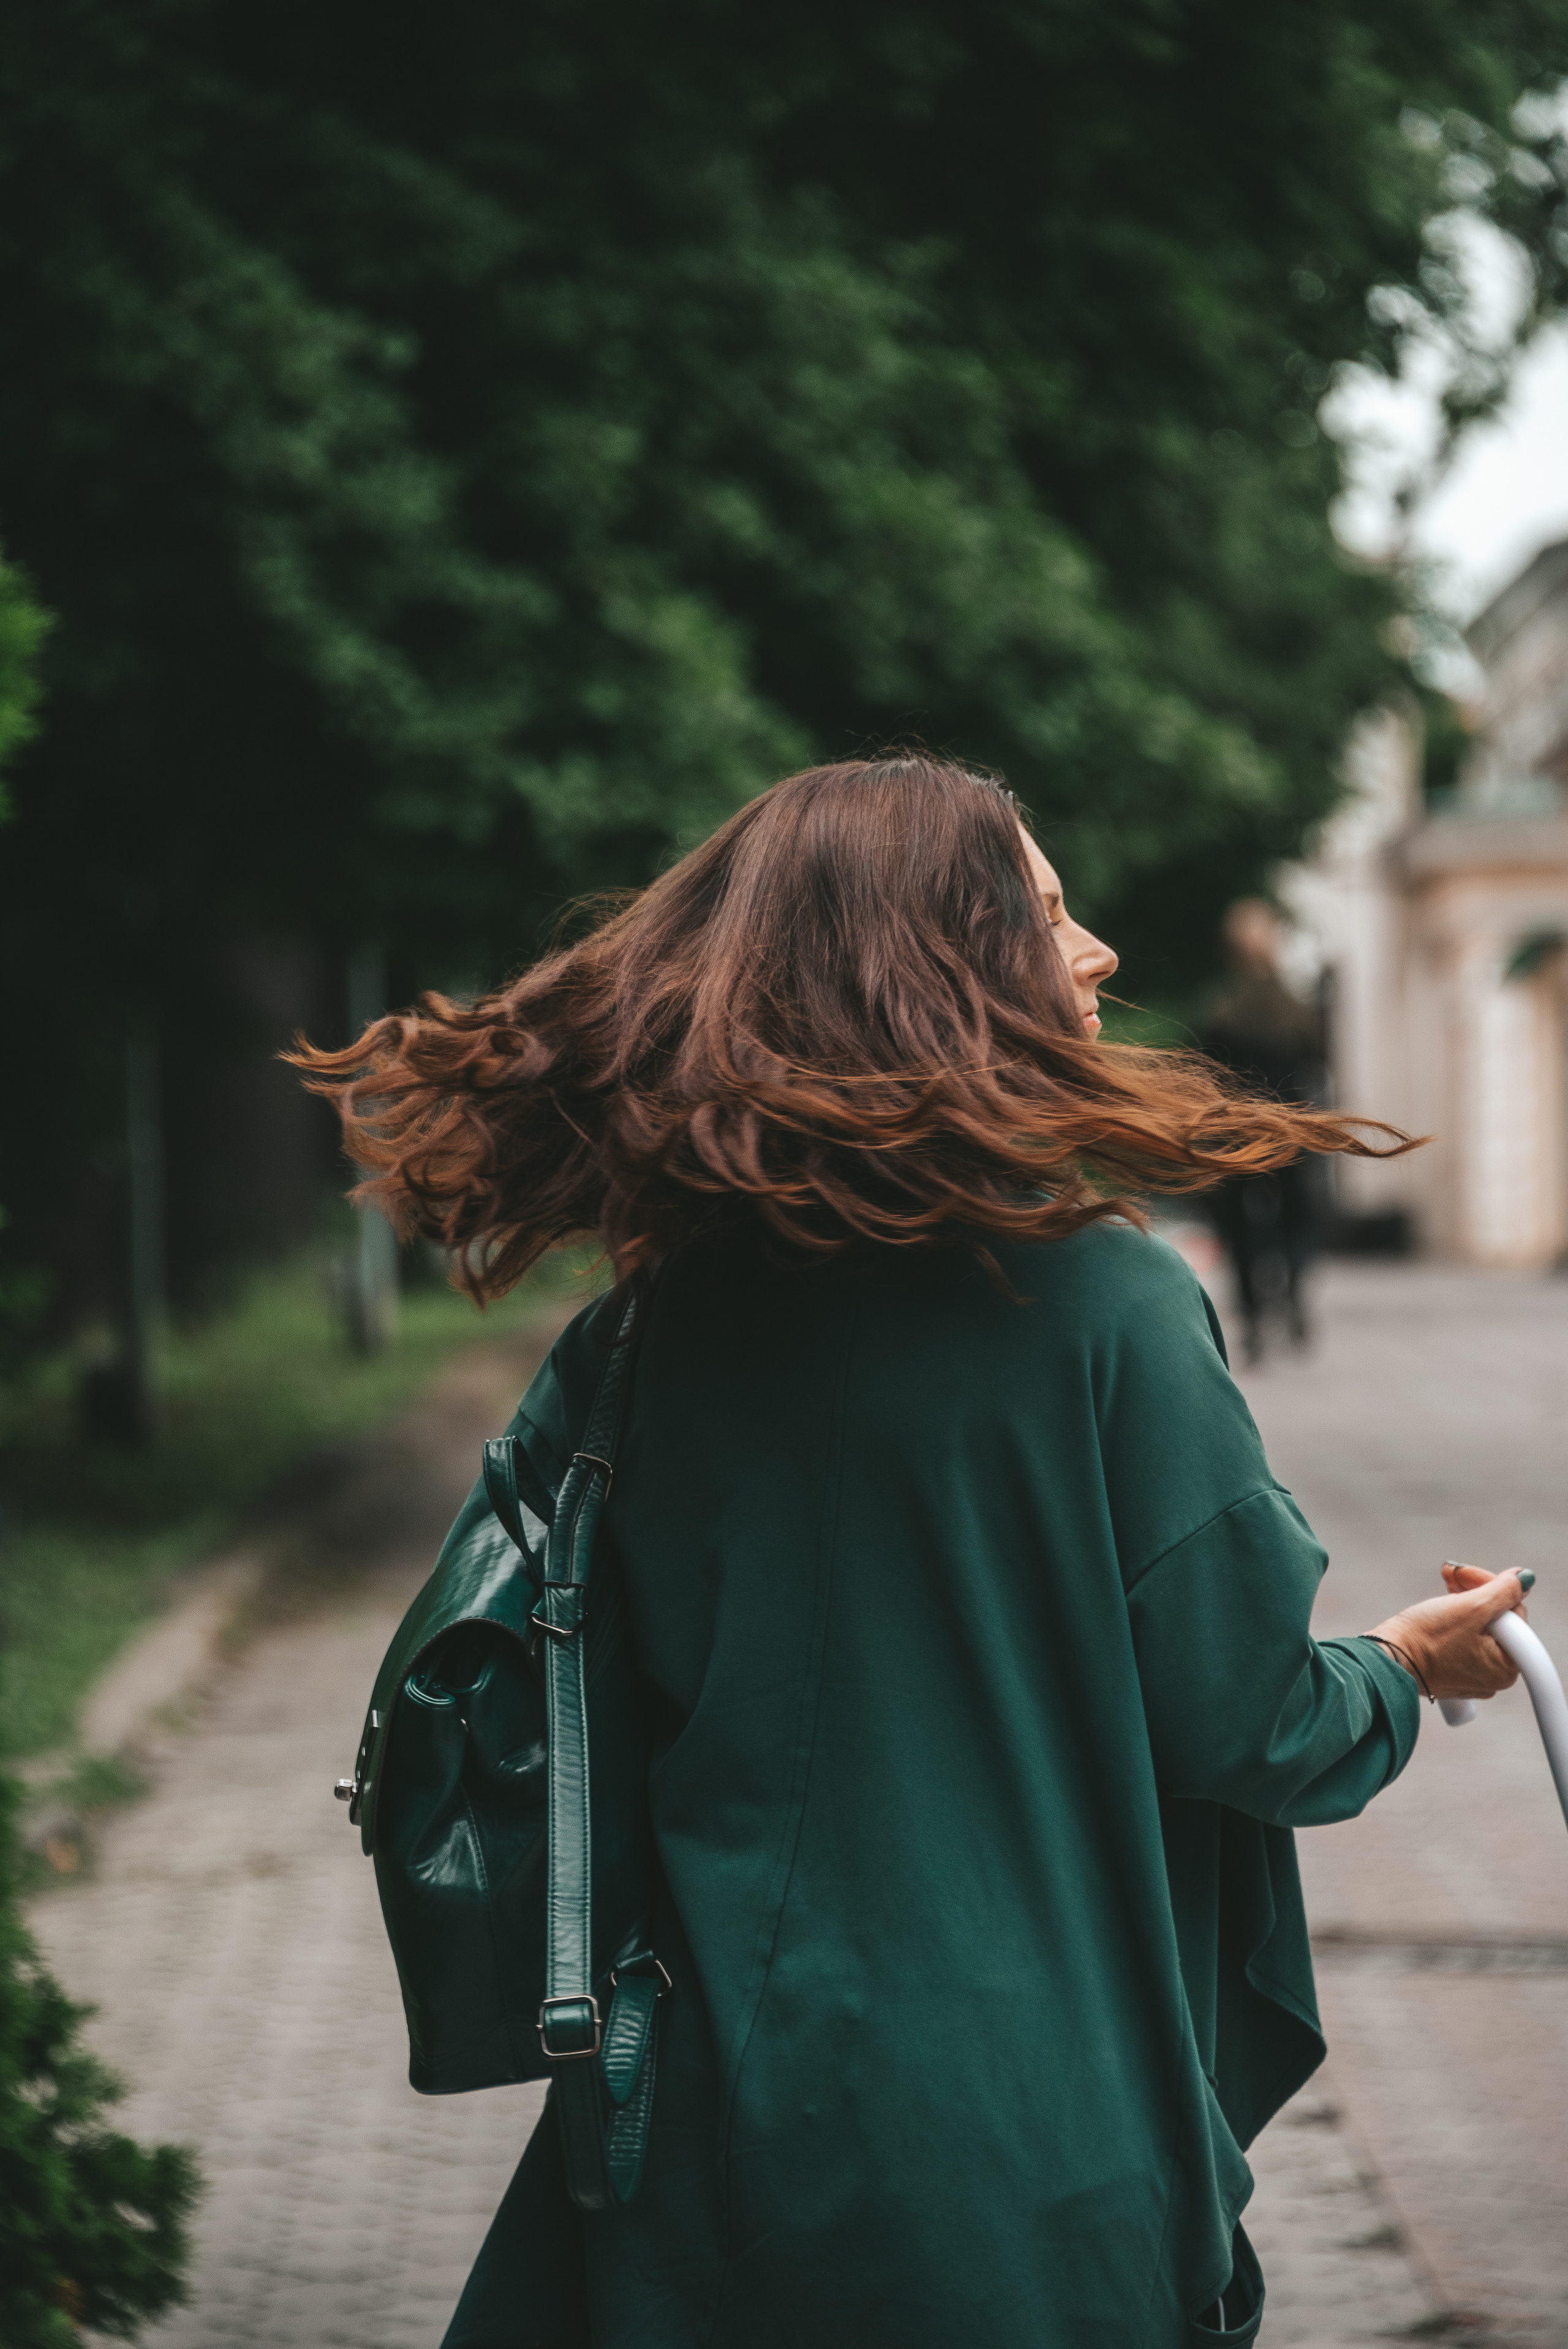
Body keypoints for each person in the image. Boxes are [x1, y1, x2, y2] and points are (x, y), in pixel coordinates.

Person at [295, 756, 1528, 2349]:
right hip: (1029, 2151)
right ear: (930, 970)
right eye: (1049, 916)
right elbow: (1251, 1722)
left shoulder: (650, 1331)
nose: (1098, 959)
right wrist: (1402, 1667)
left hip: (694, 2125)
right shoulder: (1112, 1310)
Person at [1199, 901, 1328, 1363]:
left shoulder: (1226, 1004)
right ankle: (1280, 1309)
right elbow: (1315, 1061)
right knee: (1285, 1219)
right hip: (1277, 1126)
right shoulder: (1292, 1005)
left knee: (1255, 1223)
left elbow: (1208, 1067)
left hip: (1252, 1127)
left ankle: (1266, 1315)